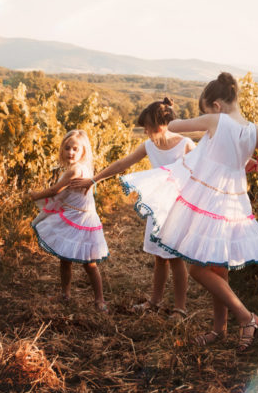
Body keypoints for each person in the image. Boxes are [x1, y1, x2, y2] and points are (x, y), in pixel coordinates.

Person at [120, 73, 258, 352]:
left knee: (198, 269)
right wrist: (254, 166)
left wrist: (178, 114)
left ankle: (246, 317)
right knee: (218, 268)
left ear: (216, 105)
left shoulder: (216, 120)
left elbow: (174, 124)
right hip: (235, 203)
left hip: (210, 201)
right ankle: (219, 330)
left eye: (206, 109)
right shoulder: (257, 131)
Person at [71, 98, 195, 320]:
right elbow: (122, 164)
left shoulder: (185, 144)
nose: (145, 131)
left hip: (178, 207)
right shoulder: (149, 146)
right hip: (157, 207)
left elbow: (200, 171)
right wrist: (94, 180)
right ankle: (154, 302)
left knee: (176, 258)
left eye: (147, 126)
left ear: (160, 124)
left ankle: (180, 308)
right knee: (160, 257)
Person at [27, 129, 109, 311]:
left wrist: (34, 195)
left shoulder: (76, 170)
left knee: (89, 263)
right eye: (67, 148)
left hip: (82, 219)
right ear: (62, 150)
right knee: (65, 258)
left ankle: (99, 299)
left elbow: (54, 190)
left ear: (83, 152)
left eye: (75, 149)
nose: (70, 152)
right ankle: (66, 295)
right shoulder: (82, 168)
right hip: (74, 215)